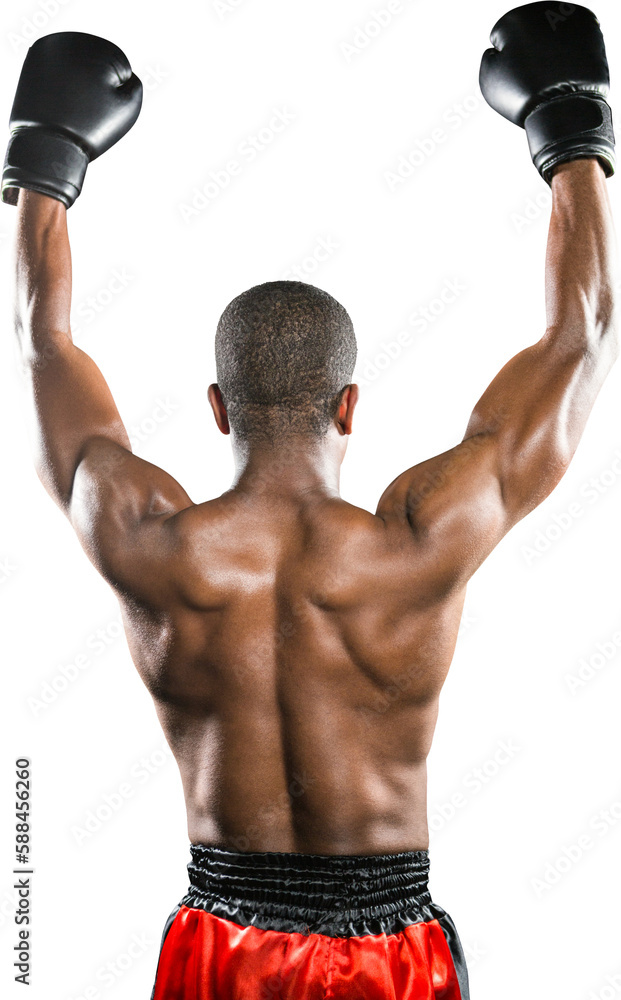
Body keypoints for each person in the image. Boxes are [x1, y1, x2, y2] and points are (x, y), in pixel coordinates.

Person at [2, 4, 618, 997]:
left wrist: (45, 171)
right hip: (389, 960)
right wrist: (571, 132)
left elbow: (41, 347)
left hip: (220, 946)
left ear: (216, 408)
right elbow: (581, 337)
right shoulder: (421, 539)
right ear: (351, 406)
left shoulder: (150, 539)